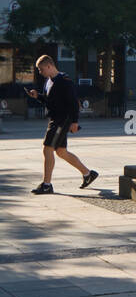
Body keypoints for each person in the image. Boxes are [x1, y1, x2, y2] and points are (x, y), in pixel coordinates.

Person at [27, 55, 99, 194]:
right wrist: (38, 96)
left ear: (49, 66)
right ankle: (88, 174)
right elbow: (50, 102)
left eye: (41, 69)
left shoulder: (64, 81)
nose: (40, 72)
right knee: (61, 152)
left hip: (62, 120)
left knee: (47, 148)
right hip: (55, 118)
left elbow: (73, 103)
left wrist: (74, 122)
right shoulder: (48, 81)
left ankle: (46, 185)